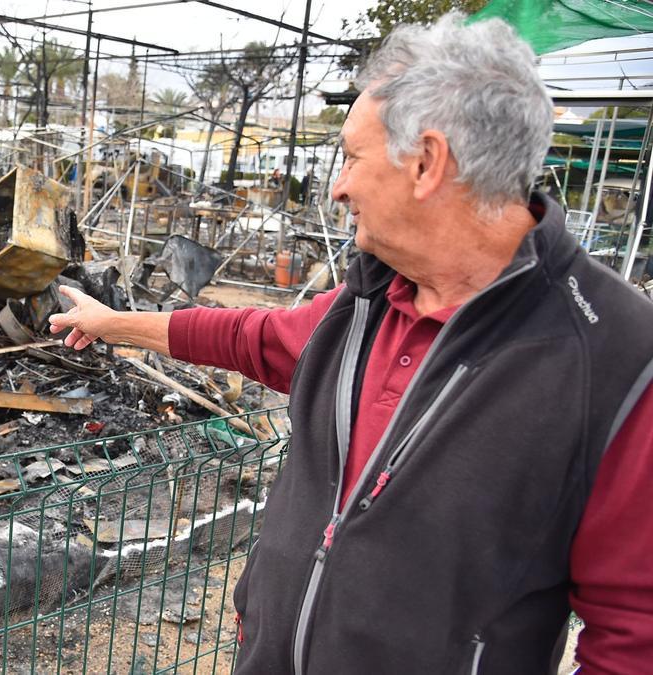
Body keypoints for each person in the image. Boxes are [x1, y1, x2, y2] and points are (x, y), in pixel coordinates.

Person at [49, 14, 653, 675]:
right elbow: (249, 336)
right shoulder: (363, 306)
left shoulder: (614, 357)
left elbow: (635, 633)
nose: (337, 186)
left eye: (351, 157)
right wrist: (114, 324)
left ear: (426, 163)